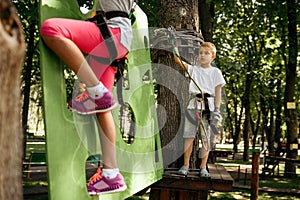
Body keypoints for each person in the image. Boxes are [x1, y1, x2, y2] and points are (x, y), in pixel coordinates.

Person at [40, 0, 134, 195]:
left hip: (112, 34)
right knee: (103, 108)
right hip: (118, 41)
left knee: (51, 29)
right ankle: (111, 174)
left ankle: (95, 91)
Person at [173, 42, 226, 178]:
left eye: (206, 53)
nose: (203, 55)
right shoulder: (193, 70)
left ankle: (203, 167)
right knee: (189, 137)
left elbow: (218, 92)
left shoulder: (216, 72)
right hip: (193, 106)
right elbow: (177, 60)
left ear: (213, 56)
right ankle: (185, 165)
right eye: (201, 53)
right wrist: (174, 46)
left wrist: (217, 110)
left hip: (209, 107)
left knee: (206, 138)